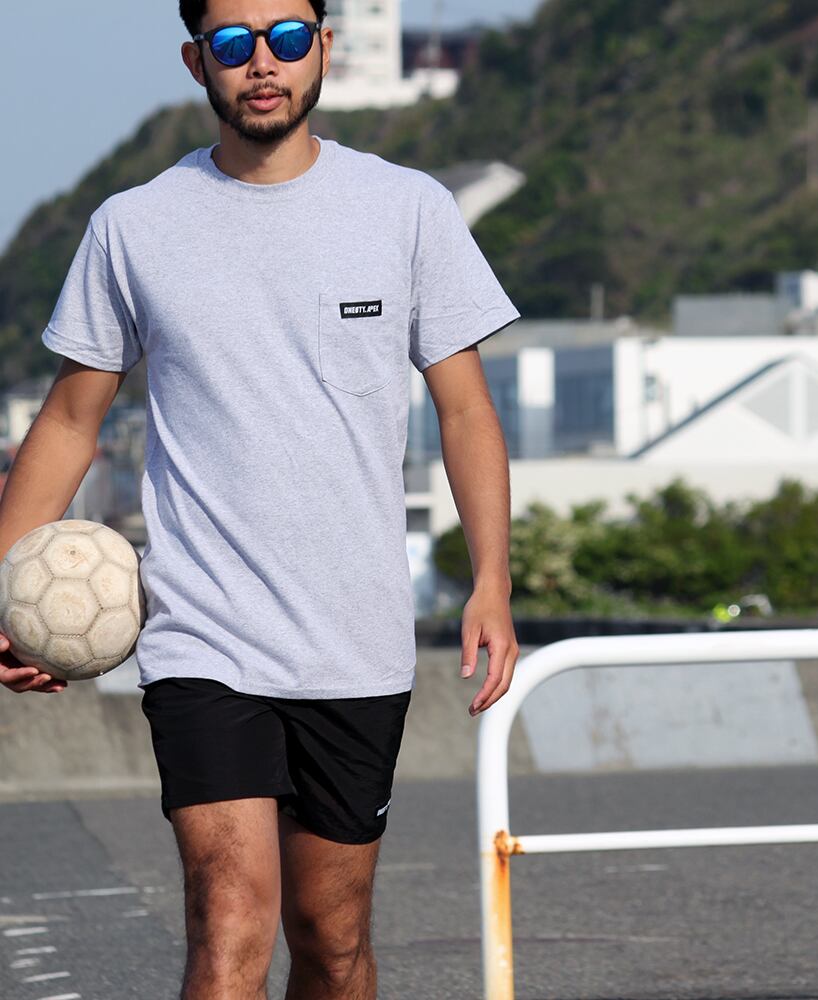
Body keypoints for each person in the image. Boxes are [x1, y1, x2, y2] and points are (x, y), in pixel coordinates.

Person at [0, 2, 522, 997]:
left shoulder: (407, 209)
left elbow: (465, 411)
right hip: (202, 633)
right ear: (197, 60)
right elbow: (68, 420)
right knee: (230, 919)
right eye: (234, 45)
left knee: (331, 939)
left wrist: (491, 579)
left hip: (354, 638)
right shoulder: (134, 226)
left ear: (323, 45)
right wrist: (5, 594)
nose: (263, 65)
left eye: (285, 37)